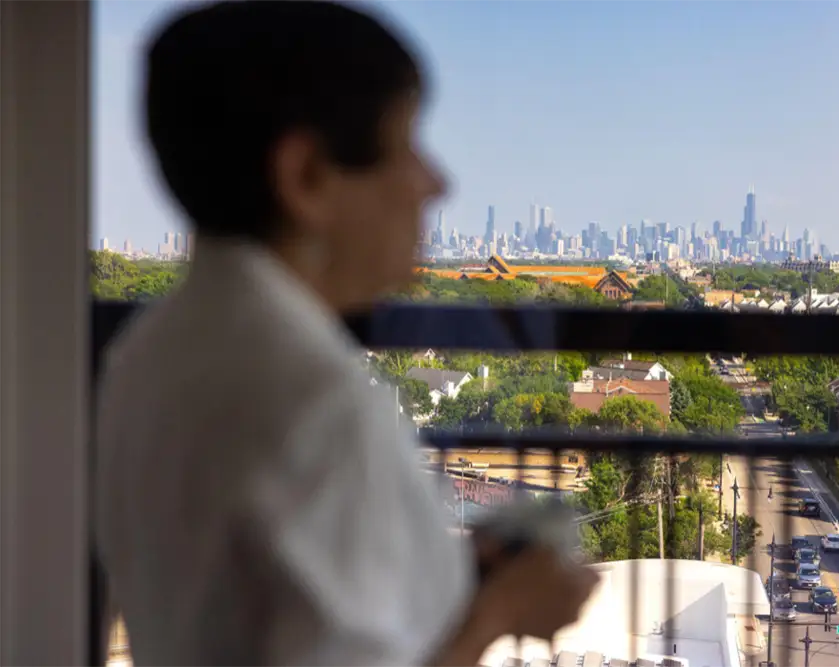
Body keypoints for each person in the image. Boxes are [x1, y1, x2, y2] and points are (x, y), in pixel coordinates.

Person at [94, 2, 599, 667]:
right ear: (306, 177)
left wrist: (452, 575)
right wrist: (505, 609)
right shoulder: (312, 401)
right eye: (406, 146)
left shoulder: (146, 352)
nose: (435, 182)